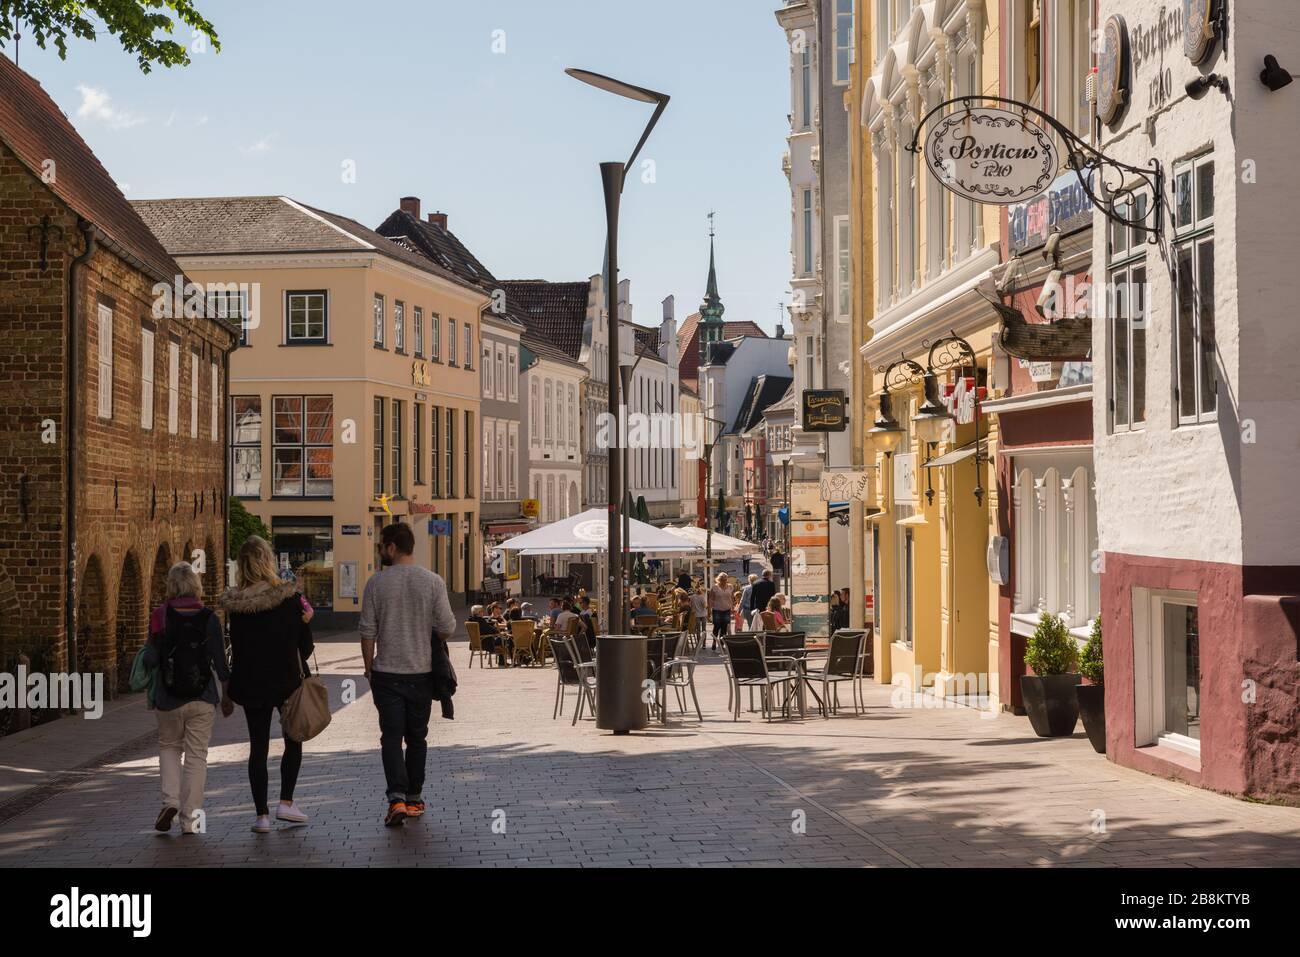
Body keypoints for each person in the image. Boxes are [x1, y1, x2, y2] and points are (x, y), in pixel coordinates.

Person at [360, 522, 457, 828]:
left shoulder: (376, 584)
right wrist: (425, 633)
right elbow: (447, 627)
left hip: (386, 674)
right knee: (417, 738)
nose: (379, 550)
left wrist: (368, 668)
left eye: (381, 546)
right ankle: (414, 798)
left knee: (391, 737)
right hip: (421, 673)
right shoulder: (433, 582)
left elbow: (367, 631)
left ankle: (396, 799)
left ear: (391, 547)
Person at [221, 536, 315, 834]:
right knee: (293, 739)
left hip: (251, 683)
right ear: (267, 560)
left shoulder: (237, 606)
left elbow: (236, 648)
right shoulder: (288, 598)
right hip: (286, 680)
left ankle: (261, 816)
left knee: (258, 747)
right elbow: (305, 647)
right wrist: (305, 624)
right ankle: (286, 802)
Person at [144, 561, 229, 835]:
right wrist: (227, 695)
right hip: (202, 696)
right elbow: (220, 662)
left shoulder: (160, 616)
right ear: (196, 585)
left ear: (171, 585)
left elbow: (151, 659)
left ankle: (170, 801)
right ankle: (190, 819)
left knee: (169, 747)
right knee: (196, 756)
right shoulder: (209, 618)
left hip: (168, 697)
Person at [708, 574, 735, 649]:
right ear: (719, 580)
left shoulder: (730, 587)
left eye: (725, 580)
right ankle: (714, 641)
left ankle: (721, 643)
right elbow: (710, 599)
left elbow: (732, 597)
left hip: (727, 609)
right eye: (722, 580)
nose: (724, 581)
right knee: (716, 626)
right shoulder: (715, 587)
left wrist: (732, 607)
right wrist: (709, 609)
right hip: (717, 609)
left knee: (724, 627)